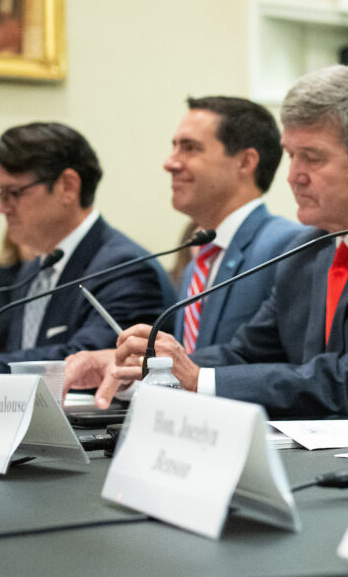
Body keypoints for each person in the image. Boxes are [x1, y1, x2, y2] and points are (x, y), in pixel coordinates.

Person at [98, 66, 348, 418]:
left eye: (312, 158)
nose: (293, 176)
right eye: (291, 155)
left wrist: (198, 378)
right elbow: (246, 353)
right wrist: (154, 364)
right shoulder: (312, 247)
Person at [64, 97, 303, 392]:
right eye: (174, 146)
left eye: (190, 148)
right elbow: (190, 364)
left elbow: (275, 362)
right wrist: (132, 366)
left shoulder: (287, 246)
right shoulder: (198, 262)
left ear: (245, 162)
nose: (170, 163)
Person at [0, 123, 168, 365]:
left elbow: (92, 362)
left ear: (68, 187)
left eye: (13, 192)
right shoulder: (33, 271)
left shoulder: (123, 267)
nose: (2, 208)